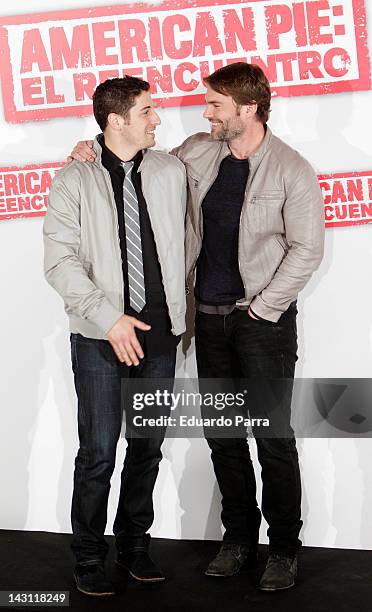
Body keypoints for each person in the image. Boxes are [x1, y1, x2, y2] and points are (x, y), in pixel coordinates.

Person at [69, 62, 325, 591]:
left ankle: (283, 549)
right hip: (208, 323)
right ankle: (238, 538)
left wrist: (261, 308)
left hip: (262, 325)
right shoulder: (198, 152)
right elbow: (133, 159)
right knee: (224, 437)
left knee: (273, 438)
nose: (203, 113)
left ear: (248, 108)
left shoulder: (292, 169)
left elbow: (306, 250)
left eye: (214, 105)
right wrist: (86, 147)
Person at [44, 76, 186, 596]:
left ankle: (134, 546)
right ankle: (87, 557)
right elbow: (59, 263)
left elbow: (186, 242)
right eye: (147, 111)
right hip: (100, 337)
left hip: (159, 336)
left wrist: (170, 312)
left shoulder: (172, 169)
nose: (157, 119)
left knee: (147, 447)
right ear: (115, 121)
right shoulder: (73, 179)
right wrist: (108, 317)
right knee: (98, 453)